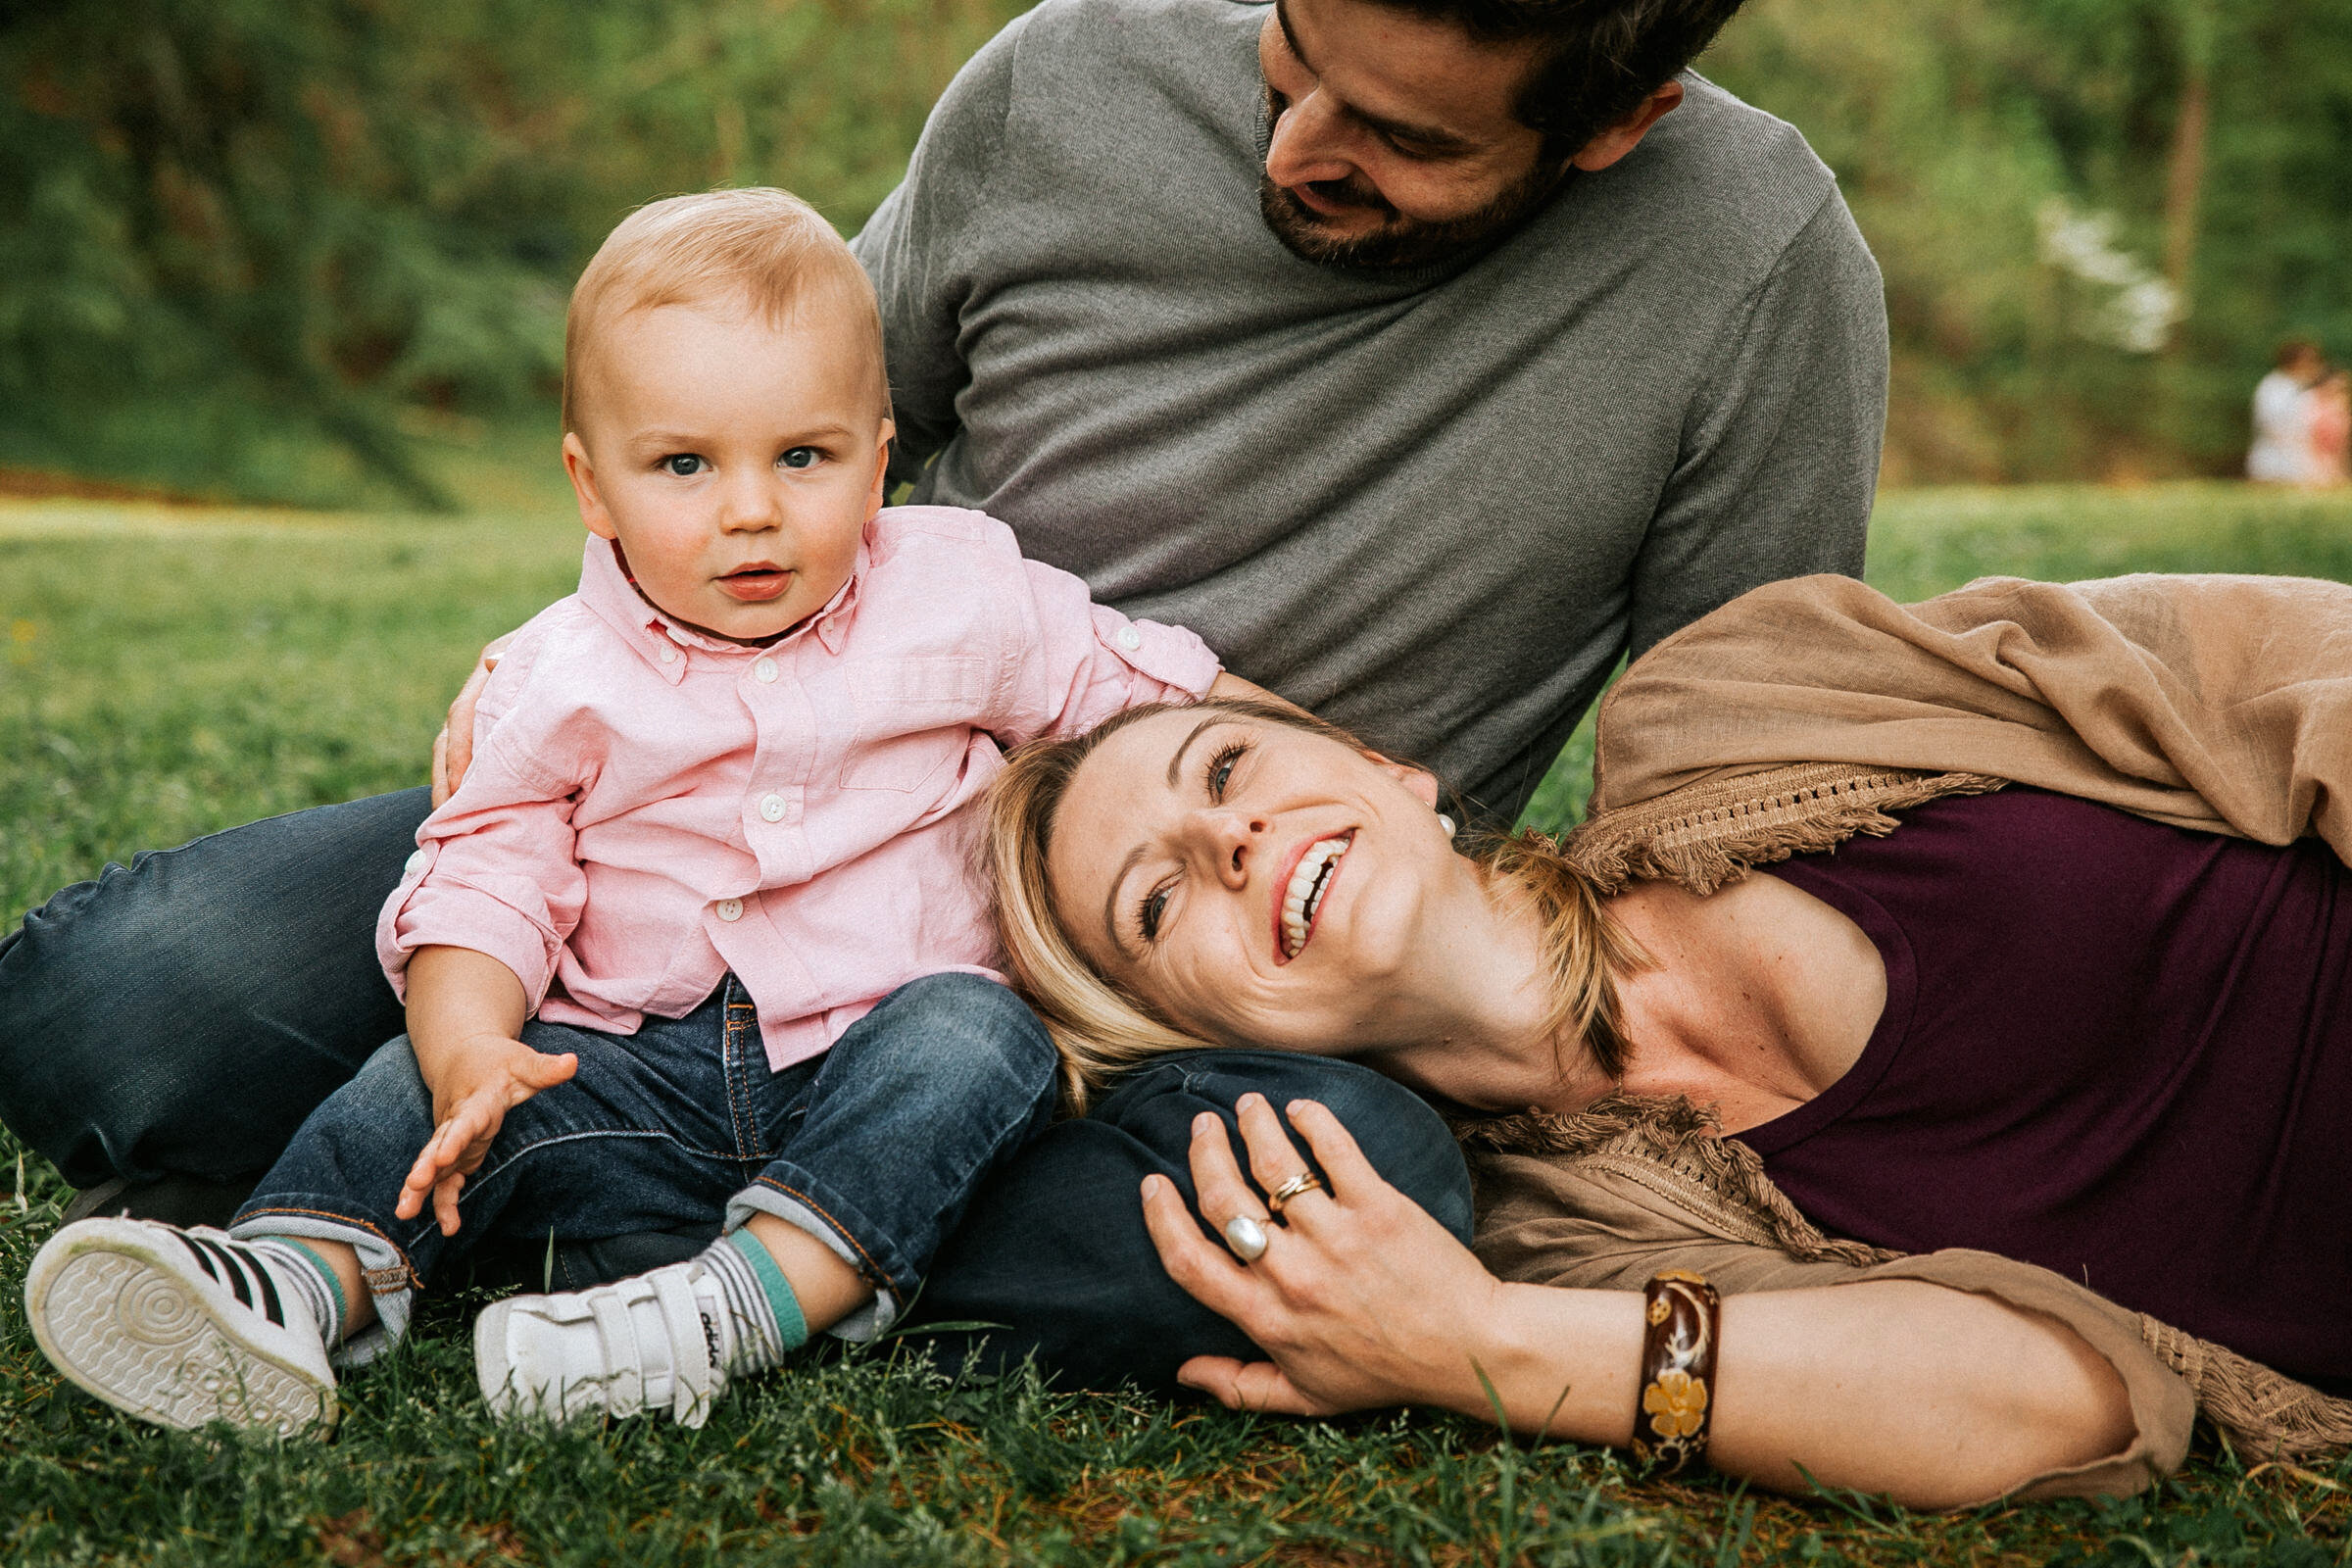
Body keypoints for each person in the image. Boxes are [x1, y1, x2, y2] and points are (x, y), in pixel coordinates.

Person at [1, 0, 1882, 1382]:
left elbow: (1735, 774)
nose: (1295, 139)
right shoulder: (1061, 80)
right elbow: (766, 428)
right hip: (723, 832)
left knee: (1350, 1190)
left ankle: (637, 1248)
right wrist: (572, 695)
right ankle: (729, 1244)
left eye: (1401, 139)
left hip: (1187, 980)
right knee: (114, 1013)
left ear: (1618, 119)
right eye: (1295, 48)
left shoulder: (1752, 266)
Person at [20, 187, 1269, 1438]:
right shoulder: (561, 677)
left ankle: (725, 1309)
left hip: (884, 1061)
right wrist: (472, 1047)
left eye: (803, 456)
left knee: (978, 1034)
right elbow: (484, 872)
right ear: (592, 484)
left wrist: (1340, 767)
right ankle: (291, 1279)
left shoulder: (961, 591)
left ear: (881, 455)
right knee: (423, 1090)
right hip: (634, 1067)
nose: (750, 510)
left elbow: (1151, 685)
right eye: (684, 464)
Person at [982, 569, 2352, 1508]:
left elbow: (2271, 670)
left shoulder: (1733, 701)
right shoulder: (1556, 1245)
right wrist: (1490, 1341)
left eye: (1226, 769)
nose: (1227, 839)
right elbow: (2054, 1406)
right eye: (1155, 905)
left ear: (1385, 766)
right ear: (1193, 1039)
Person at [2248, 338, 2326, 483]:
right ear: (2297, 362)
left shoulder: (2303, 388)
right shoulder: (2273, 387)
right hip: (2274, 460)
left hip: (2301, 460)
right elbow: (2272, 425)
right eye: (2310, 361)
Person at [2306, 368, 2350, 487]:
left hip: (2332, 462)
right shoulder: (2309, 404)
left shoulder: (2340, 407)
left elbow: (2341, 445)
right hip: (2309, 460)